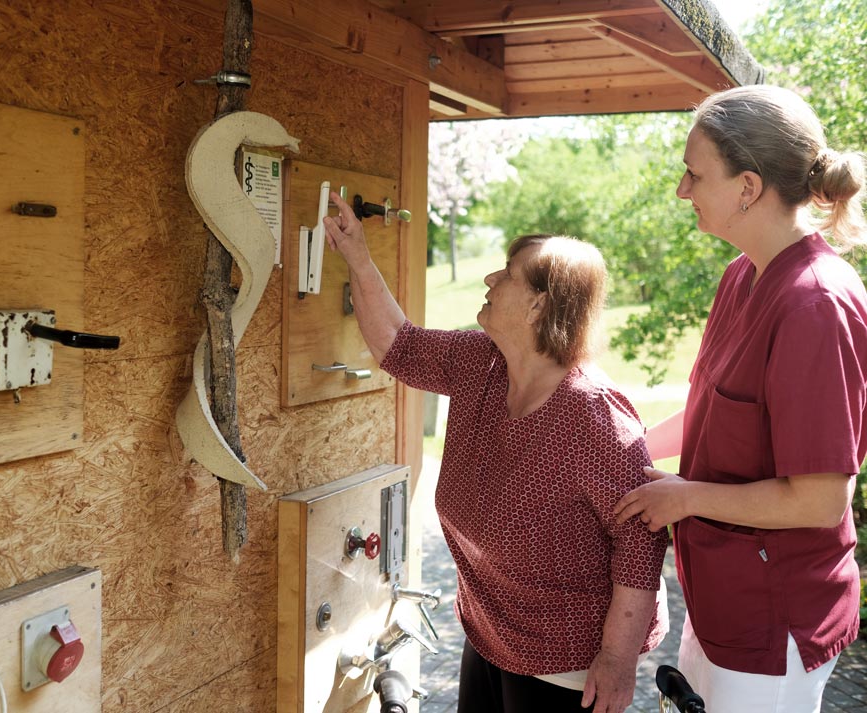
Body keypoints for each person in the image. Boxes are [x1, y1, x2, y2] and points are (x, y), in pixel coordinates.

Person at [323, 194, 668, 713]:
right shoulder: (481, 362)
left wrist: (617, 662)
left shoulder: (594, 417)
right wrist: (356, 255)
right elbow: (397, 344)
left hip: (568, 663)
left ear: (538, 305)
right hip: (489, 635)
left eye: (507, 274)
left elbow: (641, 545)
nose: (489, 280)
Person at [614, 85, 867, 713]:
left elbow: (819, 500)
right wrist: (622, 449)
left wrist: (685, 497)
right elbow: (708, 411)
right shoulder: (742, 274)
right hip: (721, 600)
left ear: (748, 187)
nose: (682, 190)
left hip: (774, 618)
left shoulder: (814, 305)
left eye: (694, 174)